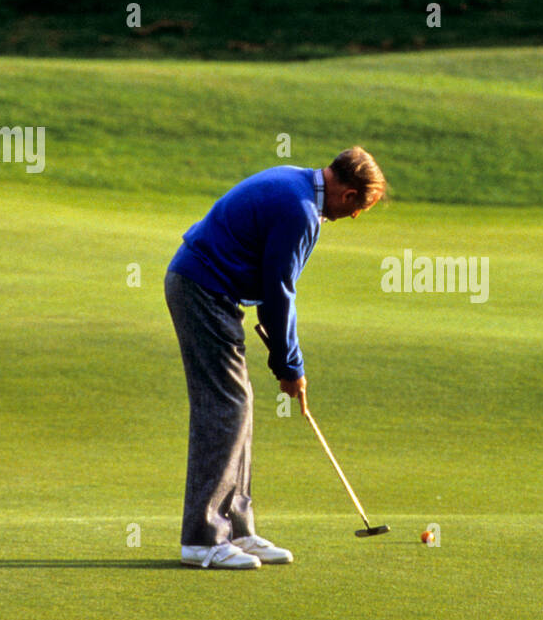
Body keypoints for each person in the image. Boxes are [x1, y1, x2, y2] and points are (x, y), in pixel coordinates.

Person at [164, 147, 387, 569]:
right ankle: (203, 538)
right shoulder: (300, 209)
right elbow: (278, 293)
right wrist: (290, 368)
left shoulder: (296, 182)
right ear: (348, 193)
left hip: (208, 289)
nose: (354, 217)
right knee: (225, 407)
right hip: (201, 289)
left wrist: (285, 362)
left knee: (237, 405)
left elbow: (271, 290)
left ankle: (238, 530)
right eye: (359, 208)